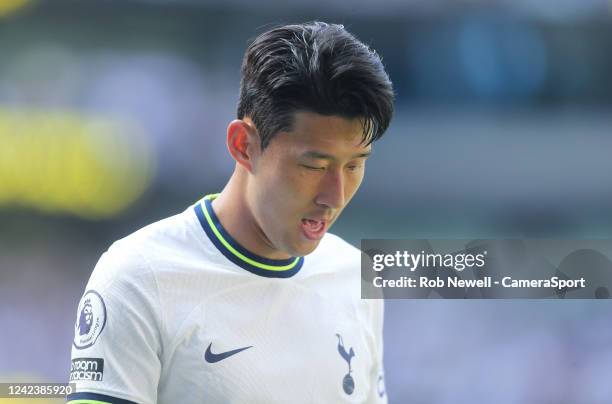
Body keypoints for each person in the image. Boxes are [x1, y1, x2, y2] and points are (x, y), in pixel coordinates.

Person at [67, 21, 394, 404]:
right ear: (243, 145)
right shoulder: (139, 278)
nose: (334, 195)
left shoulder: (356, 278)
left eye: (354, 165)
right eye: (314, 166)